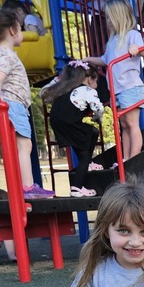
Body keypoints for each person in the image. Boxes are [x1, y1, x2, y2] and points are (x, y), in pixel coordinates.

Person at [0, 8, 55, 199]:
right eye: (20, 28)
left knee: (18, 148)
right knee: (25, 147)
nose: (22, 32)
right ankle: (28, 188)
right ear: (13, 30)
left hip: (9, 106)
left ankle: (22, 186)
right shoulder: (6, 54)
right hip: (11, 105)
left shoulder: (1, 53)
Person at [82, 0, 144, 160]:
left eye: (110, 17)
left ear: (120, 17)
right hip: (116, 90)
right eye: (106, 17)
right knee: (123, 126)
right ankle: (125, 158)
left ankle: (134, 158)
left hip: (130, 88)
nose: (108, 21)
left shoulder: (132, 35)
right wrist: (89, 59)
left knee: (132, 124)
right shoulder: (112, 41)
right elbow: (105, 60)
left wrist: (136, 49)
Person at [40, 60, 105, 197]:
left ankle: (89, 163)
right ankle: (76, 188)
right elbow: (98, 108)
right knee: (85, 155)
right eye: (96, 81)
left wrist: (57, 80)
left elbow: (43, 92)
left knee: (92, 133)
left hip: (58, 122)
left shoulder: (65, 88)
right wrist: (98, 118)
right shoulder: (87, 90)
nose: (96, 85)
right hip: (70, 123)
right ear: (89, 79)